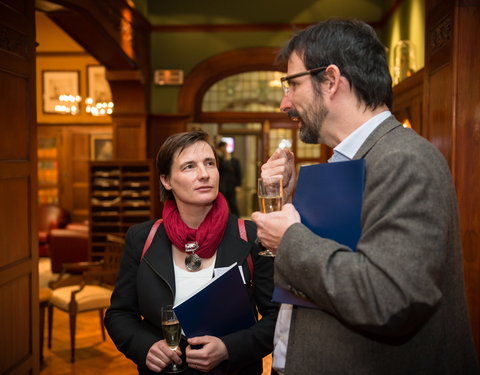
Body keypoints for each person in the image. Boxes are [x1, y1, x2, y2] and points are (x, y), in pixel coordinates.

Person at [251, 19, 479, 374]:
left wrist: (290, 240)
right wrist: (288, 200)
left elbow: (388, 299)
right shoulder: (351, 161)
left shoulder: (405, 159)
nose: (285, 103)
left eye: (292, 85)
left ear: (330, 80)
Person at [105, 130, 278, 374]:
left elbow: (276, 319)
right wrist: (146, 347)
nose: (205, 174)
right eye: (189, 166)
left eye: (210, 163)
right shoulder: (142, 238)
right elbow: (119, 314)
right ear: (166, 180)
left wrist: (228, 348)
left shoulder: (252, 236)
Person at [216, 141, 242, 216]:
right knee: (222, 203)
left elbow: (238, 173)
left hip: (231, 184)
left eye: (224, 147)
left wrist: (238, 185)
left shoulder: (234, 160)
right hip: (222, 185)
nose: (224, 149)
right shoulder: (220, 160)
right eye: (222, 148)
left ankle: (237, 219)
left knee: (233, 203)